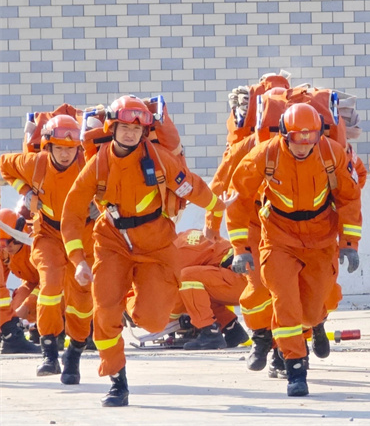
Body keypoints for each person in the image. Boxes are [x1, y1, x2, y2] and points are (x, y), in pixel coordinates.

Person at [60, 95, 234, 407]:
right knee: (104, 310)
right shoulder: (97, 165)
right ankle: (117, 380)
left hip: (156, 245)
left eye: (136, 129)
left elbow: (192, 186)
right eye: (125, 127)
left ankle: (129, 304)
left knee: (153, 321)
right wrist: (78, 261)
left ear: (144, 132)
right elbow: (71, 215)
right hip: (111, 242)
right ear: (112, 128)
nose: (130, 133)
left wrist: (217, 210)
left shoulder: (160, 160)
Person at [226, 103, 362, 397]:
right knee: (285, 301)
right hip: (279, 238)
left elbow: (349, 198)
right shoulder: (265, 154)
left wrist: (350, 243)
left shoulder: (332, 154)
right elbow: (238, 199)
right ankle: (295, 368)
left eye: (309, 138)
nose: (303, 146)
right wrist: (240, 247)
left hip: (321, 238)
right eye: (297, 139)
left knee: (310, 313)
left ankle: (317, 323)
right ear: (284, 134)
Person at [0, 115, 94, 383]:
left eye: (71, 148)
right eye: (60, 148)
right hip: (49, 233)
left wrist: (100, 204)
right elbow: (4, 165)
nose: (65, 154)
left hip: (83, 235)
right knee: (50, 285)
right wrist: (25, 190)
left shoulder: (89, 165)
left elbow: (113, 188)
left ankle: (74, 353)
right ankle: (50, 352)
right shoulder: (35, 163)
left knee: (81, 300)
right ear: (48, 146)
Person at [174, 228, 248, 350]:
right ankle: (232, 329)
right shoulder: (185, 238)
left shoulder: (174, 253)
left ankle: (210, 332)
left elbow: (174, 297)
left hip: (243, 279)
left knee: (187, 277)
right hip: (245, 276)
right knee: (201, 289)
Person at [0, 209, 41, 354]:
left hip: (59, 285)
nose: (6, 247)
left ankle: (58, 331)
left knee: (50, 299)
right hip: (31, 283)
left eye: (9, 242)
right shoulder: (4, 250)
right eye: (2, 243)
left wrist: (29, 304)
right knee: (14, 310)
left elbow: (51, 279)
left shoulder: (38, 243)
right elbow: (2, 284)